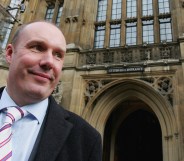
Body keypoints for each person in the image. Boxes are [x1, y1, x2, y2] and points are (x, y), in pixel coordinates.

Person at [0, 21, 102, 161]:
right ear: (10, 53)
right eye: (37, 48)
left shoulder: (86, 139)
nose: (49, 62)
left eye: (58, 55)